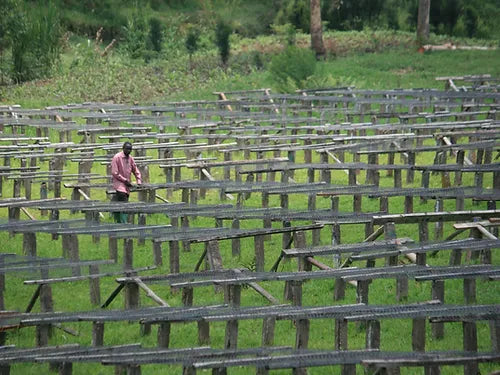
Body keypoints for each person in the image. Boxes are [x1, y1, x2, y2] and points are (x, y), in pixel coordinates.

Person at [111, 142, 142, 223]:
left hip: (127, 185)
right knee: (124, 202)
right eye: (127, 149)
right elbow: (115, 172)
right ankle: (123, 223)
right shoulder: (117, 157)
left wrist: (139, 181)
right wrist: (125, 180)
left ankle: (118, 221)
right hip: (119, 184)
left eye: (130, 149)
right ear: (123, 148)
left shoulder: (130, 158)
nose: (128, 151)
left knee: (120, 204)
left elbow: (135, 169)